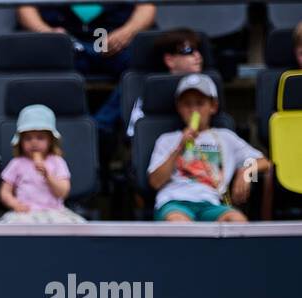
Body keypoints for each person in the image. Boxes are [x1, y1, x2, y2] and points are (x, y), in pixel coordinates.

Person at [147, 74, 269, 223]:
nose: (193, 110)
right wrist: (180, 146)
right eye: (187, 104)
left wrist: (246, 172)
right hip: (174, 202)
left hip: (211, 204)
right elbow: (155, 182)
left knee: (238, 220)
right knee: (179, 223)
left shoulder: (225, 137)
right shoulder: (167, 139)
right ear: (179, 107)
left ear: (213, 106)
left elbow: (264, 162)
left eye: (200, 103)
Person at [17, 3, 156, 130]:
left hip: (114, 36)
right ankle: (68, 131)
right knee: (40, 62)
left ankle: (99, 128)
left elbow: (147, 6)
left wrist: (127, 32)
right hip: (64, 37)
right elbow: (25, 6)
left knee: (146, 63)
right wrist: (47, 32)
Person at [0, 105, 85, 223]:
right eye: (28, 138)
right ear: (20, 141)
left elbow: (63, 192)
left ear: (50, 140)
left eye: (40, 137)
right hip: (25, 213)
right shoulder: (16, 163)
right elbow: (5, 191)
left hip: (54, 213)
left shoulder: (57, 161)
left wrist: (48, 176)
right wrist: (14, 204)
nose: (34, 142)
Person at [126, 27, 203, 139]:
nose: (198, 56)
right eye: (188, 50)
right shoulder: (151, 91)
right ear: (169, 60)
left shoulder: (208, 86)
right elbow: (133, 132)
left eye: (198, 50)